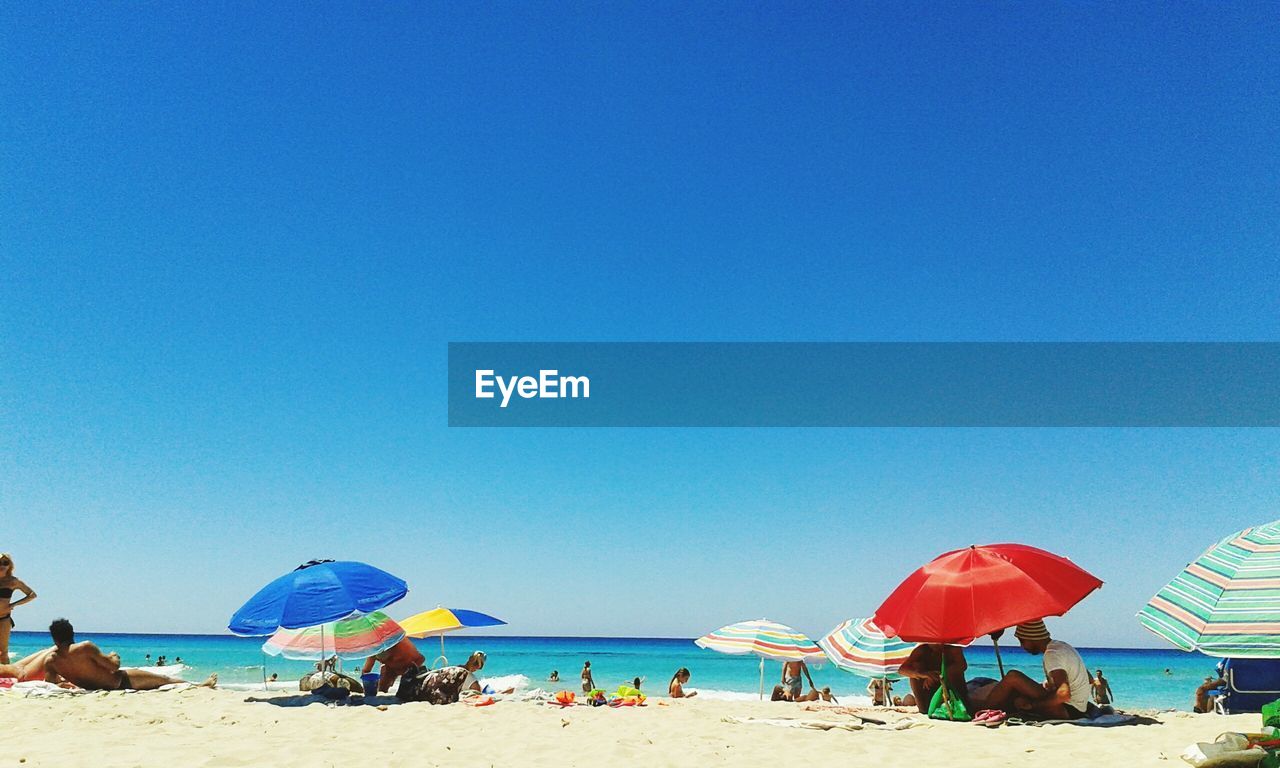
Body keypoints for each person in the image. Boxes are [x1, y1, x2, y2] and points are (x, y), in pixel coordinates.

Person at [43, 619, 216, 691]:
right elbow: (113, 667)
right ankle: (200, 686)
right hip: (119, 682)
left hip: (92, 689)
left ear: (54, 637)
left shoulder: (51, 661)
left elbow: (50, 684)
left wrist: (65, 683)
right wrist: (114, 655)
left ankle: (199, 685)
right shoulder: (84, 647)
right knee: (164, 679)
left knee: (160, 682)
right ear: (72, 633)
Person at [979, 620, 1091, 719]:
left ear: (1031, 637)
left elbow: (1063, 694)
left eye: (1022, 641)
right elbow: (1088, 678)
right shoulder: (1062, 646)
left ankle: (981, 711)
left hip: (1068, 711)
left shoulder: (1052, 654)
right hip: (1079, 709)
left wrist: (1033, 705)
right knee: (1018, 696)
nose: (1021, 646)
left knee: (1013, 677)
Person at [397, 650, 512, 705]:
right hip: (431, 697)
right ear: (479, 667)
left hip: (416, 690)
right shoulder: (470, 679)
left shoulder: (453, 669)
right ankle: (503, 692)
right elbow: (479, 697)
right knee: (493, 693)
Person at [897, 643, 970, 714]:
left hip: (950, 688)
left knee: (955, 670)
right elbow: (902, 670)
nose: (936, 645)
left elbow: (962, 665)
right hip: (930, 688)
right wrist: (923, 675)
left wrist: (938, 676)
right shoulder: (922, 649)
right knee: (915, 668)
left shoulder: (952, 648)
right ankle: (924, 707)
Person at [0, 553, 38, 664]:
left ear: (9, 565)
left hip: (4, 618)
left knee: (3, 652)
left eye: (5, 563)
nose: (2, 565)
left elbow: (32, 595)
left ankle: (5, 678)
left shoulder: (13, 581)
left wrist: (13, 604)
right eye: (0, 562)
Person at [361, 636, 425, 693]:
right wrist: (366, 685)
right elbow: (366, 670)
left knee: (407, 690)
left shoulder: (401, 645)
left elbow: (421, 658)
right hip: (391, 667)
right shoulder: (374, 649)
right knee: (382, 688)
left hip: (410, 665)